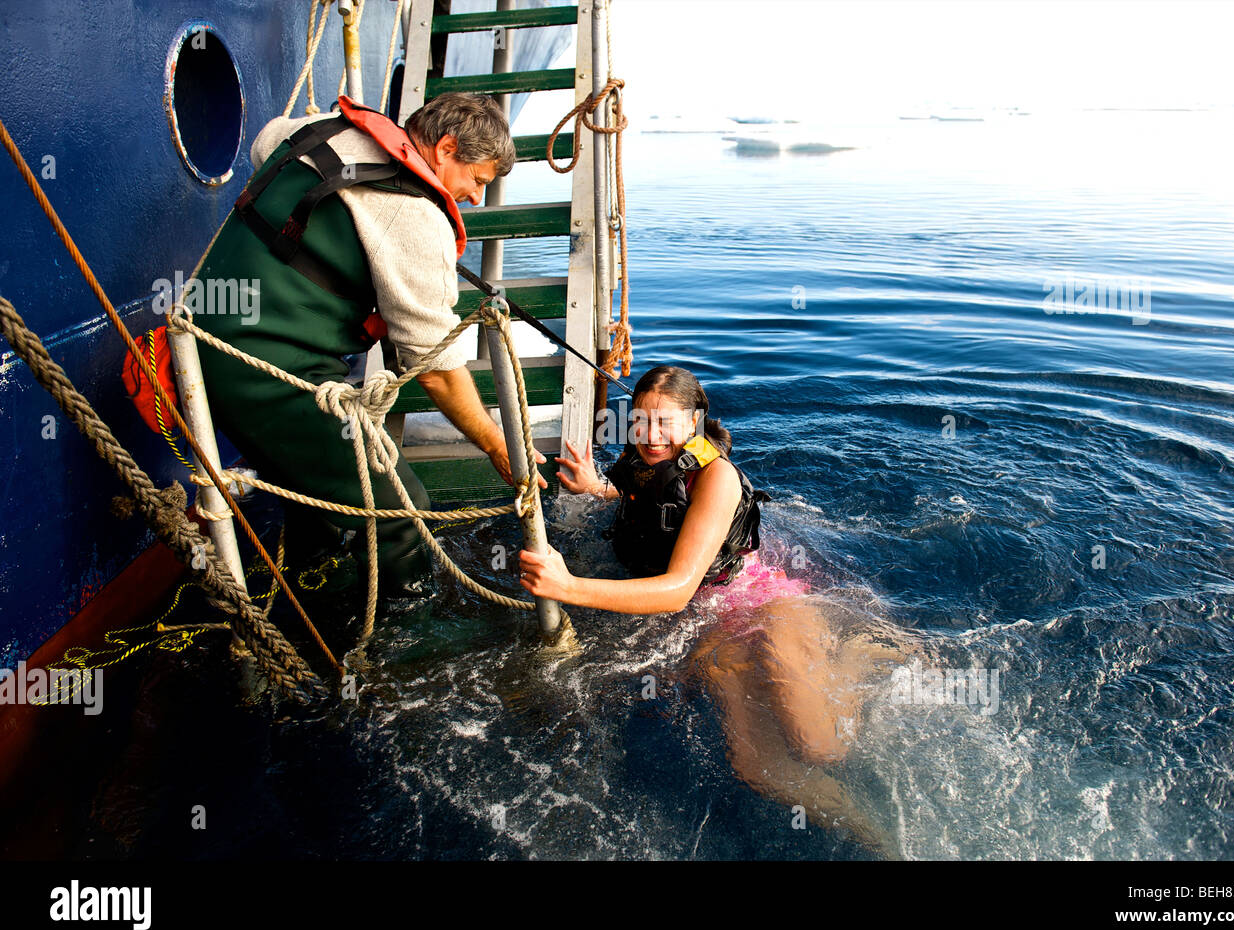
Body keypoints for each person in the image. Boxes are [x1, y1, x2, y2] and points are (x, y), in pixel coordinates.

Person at [520, 365, 904, 857]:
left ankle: (860, 652)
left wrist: (568, 586)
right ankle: (876, 838)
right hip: (712, 621)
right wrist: (595, 489)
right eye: (639, 421)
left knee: (821, 746)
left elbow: (677, 590)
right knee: (758, 766)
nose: (650, 436)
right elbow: (655, 498)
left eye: (666, 423)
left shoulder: (717, 477)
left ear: (696, 421)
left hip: (761, 603)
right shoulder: (643, 461)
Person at [189, 92, 545, 595]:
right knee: (401, 511)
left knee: (314, 500)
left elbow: (264, 144)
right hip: (262, 369)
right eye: (478, 180)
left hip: (200, 336)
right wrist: (494, 444)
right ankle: (398, 645)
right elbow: (437, 370)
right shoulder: (417, 219)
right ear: (445, 149)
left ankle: (307, 591)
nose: (473, 198)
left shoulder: (315, 131)